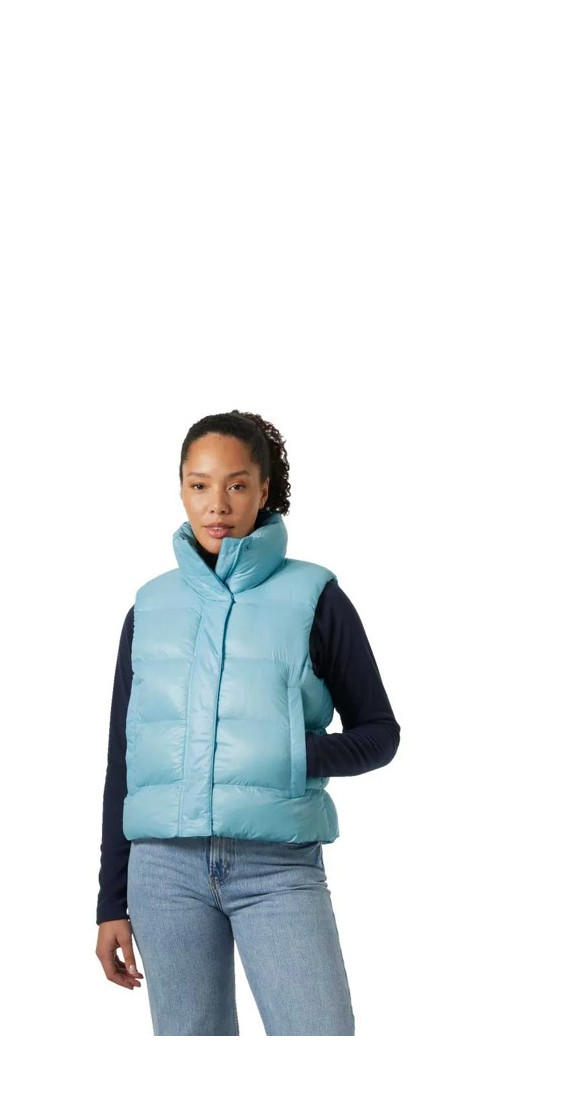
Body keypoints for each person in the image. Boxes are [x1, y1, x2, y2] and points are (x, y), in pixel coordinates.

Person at [94, 410, 400, 1035]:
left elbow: (379, 732)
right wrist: (110, 902)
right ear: (182, 489)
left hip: (277, 867)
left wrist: (296, 755)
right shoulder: (149, 608)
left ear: (264, 490)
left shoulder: (315, 597)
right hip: (163, 873)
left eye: (236, 485)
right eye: (199, 485)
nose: (217, 504)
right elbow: (123, 761)